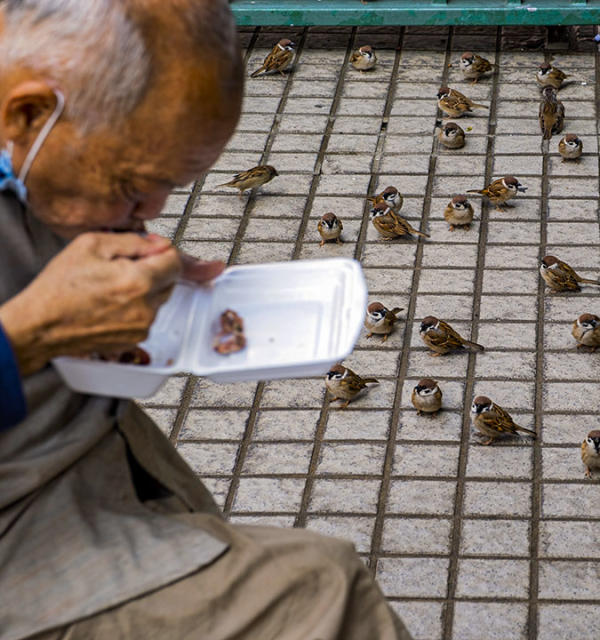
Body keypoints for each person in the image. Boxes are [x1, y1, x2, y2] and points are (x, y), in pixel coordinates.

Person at [0, 1, 410, 638]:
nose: (149, 213)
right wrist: (29, 335)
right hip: (20, 532)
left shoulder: (28, 125)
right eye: (134, 183)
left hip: (83, 444)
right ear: (26, 114)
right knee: (325, 594)